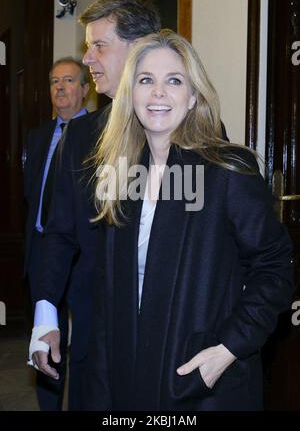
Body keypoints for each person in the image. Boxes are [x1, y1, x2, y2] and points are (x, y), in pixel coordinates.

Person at [85, 30, 294, 411]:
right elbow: (108, 292)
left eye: (174, 81)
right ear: (131, 94)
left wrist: (228, 350)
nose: (158, 93)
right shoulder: (123, 175)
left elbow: (276, 269)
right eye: (146, 80)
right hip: (127, 377)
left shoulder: (227, 170)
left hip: (202, 385)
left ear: (194, 95)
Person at [27, 0, 161, 410]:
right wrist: (46, 315)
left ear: (139, 48)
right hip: (93, 339)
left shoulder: (190, 132)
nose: (88, 58)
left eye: (99, 46)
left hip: (165, 339)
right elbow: (60, 230)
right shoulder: (80, 138)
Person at [24, 57, 90, 410]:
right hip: (42, 250)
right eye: (54, 81)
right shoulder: (36, 137)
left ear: (85, 88)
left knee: (85, 341)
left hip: (82, 256)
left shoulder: (97, 135)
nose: (60, 88)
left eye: (68, 80)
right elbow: (31, 193)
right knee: (46, 336)